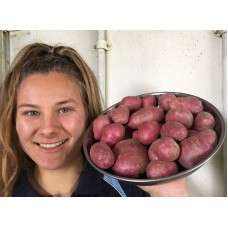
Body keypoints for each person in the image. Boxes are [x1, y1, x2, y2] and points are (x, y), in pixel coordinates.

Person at [0, 42, 189, 197]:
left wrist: (175, 198)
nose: (48, 128)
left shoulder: (132, 189)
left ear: (88, 111)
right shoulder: (5, 191)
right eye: (32, 113)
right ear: (13, 119)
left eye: (64, 109)